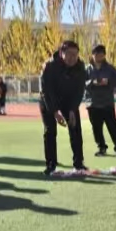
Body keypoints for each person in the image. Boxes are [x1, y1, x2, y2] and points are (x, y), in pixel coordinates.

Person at [39, 40, 88, 176]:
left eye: (75, 54)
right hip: (48, 101)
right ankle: (51, 165)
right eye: (69, 54)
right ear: (61, 53)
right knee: (50, 131)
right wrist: (55, 112)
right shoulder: (50, 66)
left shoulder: (80, 67)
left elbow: (79, 91)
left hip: (69, 101)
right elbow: (47, 91)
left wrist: (73, 109)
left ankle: (79, 163)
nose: (73, 58)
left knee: (75, 130)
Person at [84, 45, 116, 158]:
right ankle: (101, 148)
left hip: (107, 103)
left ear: (104, 55)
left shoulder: (110, 68)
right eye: (96, 54)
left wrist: (107, 82)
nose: (98, 56)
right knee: (96, 128)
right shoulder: (87, 69)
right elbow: (81, 83)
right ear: (92, 55)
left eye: (101, 54)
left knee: (113, 127)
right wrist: (92, 82)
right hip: (93, 103)